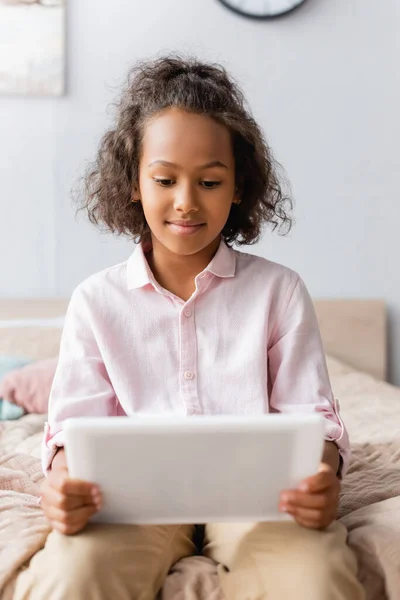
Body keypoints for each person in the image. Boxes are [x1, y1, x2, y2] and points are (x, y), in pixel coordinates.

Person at [14, 56, 365, 600]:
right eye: (164, 179)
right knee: (71, 576)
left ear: (239, 188)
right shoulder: (95, 302)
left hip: (261, 500)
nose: (185, 201)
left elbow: (313, 419)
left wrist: (322, 476)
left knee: (316, 577)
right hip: (128, 502)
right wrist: (60, 482)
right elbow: (69, 432)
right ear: (133, 183)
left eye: (208, 181)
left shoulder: (280, 292)